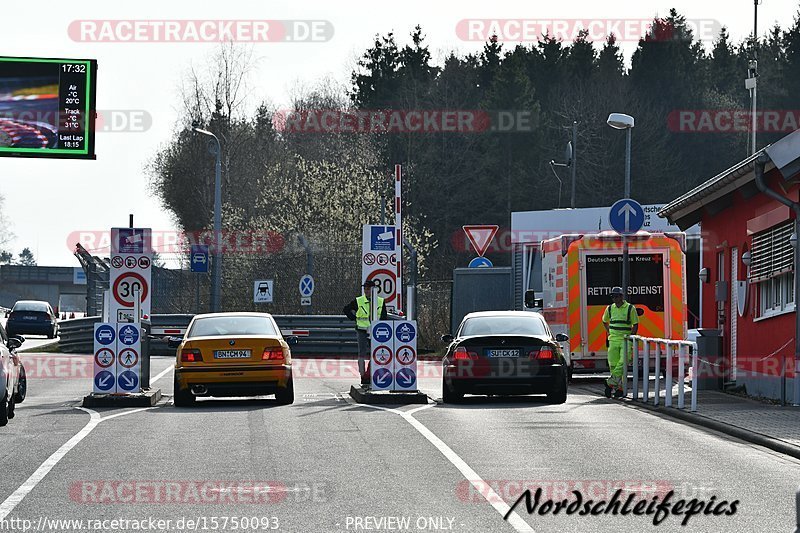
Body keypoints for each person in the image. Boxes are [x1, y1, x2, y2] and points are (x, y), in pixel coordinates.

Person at [343, 280, 388, 388]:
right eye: (365, 289)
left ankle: (370, 373)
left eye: (368, 289)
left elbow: (384, 317)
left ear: (373, 289)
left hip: (375, 332)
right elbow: (346, 309)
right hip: (362, 330)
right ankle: (363, 376)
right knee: (361, 353)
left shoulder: (380, 301)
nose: (366, 291)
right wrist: (354, 318)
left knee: (376, 353)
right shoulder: (359, 301)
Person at [602, 286, 639, 399]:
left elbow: (635, 324)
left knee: (624, 361)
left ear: (622, 296)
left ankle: (610, 382)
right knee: (613, 365)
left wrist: (630, 337)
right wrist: (609, 332)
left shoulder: (630, 308)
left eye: (617, 296)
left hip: (625, 339)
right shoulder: (609, 308)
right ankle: (619, 388)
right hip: (613, 340)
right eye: (613, 296)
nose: (615, 298)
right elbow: (604, 321)